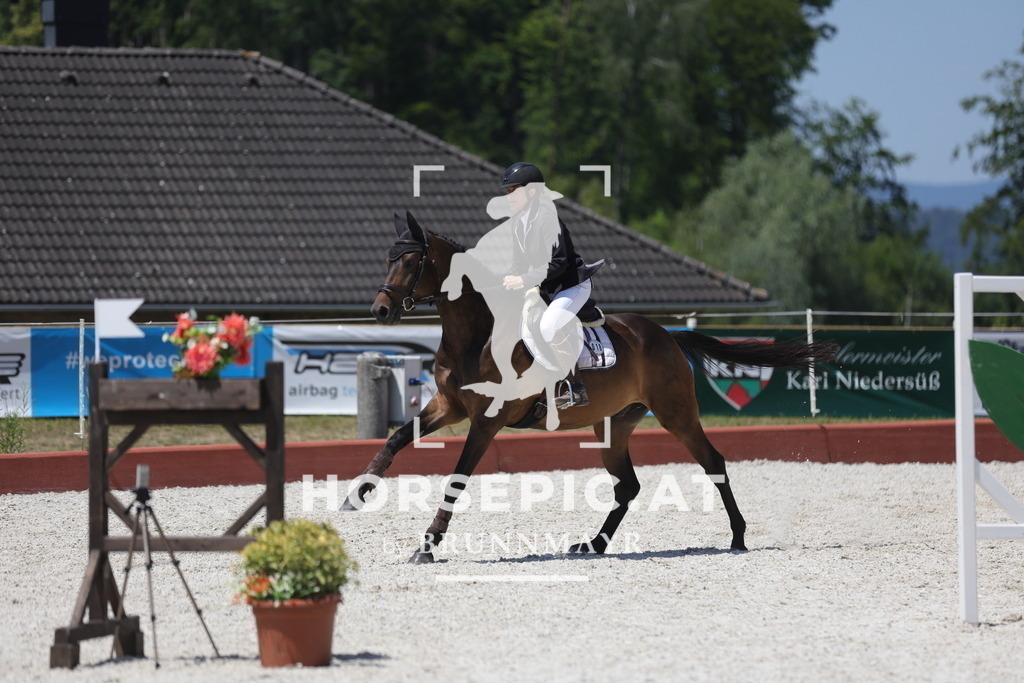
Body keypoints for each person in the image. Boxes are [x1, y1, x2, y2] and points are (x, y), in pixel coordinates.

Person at [496, 162, 603, 408]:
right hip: (546, 287)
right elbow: (519, 262)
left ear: (532, 192)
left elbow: (560, 263)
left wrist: (522, 280)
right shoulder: (518, 222)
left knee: (547, 326)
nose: (509, 196)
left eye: (514, 190)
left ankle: (576, 387)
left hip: (570, 285)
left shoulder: (548, 218)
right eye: (508, 191)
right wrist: (505, 278)